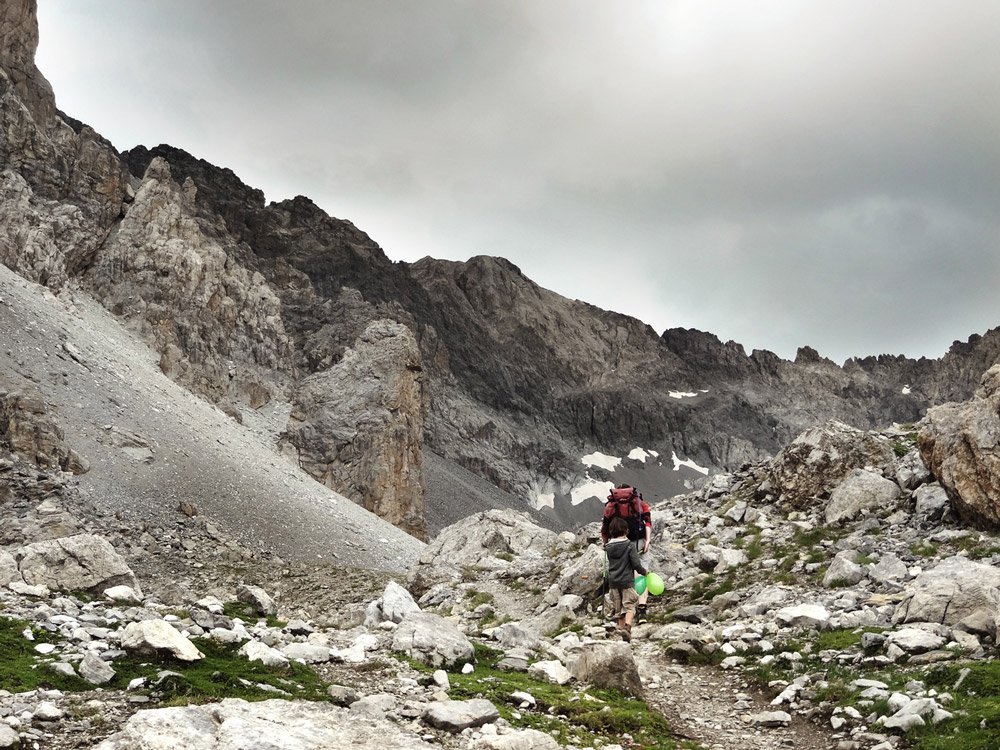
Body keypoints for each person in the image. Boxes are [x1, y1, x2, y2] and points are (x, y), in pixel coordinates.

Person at [604, 515, 648, 642]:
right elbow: (635, 564)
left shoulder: (609, 547)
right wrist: (644, 572)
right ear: (626, 531)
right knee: (629, 606)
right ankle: (627, 627)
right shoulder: (629, 545)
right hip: (627, 581)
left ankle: (623, 636)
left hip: (613, 582)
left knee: (618, 609)